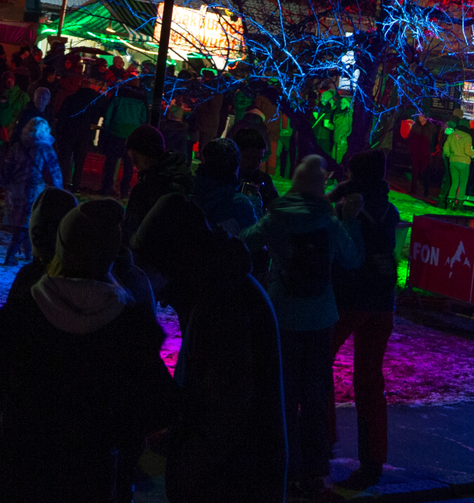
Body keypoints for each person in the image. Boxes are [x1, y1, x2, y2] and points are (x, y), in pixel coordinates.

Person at [0, 202, 176, 500]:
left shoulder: (22, 314)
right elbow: (152, 408)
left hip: (13, 465)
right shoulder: (129, 328)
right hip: (86, 474)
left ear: (62, 247)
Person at [133, 194, 288, 503]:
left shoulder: (222, 305)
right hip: (235, 472)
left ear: (176, 259)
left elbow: (226, 412)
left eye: (157, 270)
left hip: (233, 481)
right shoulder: (219, 286)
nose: (159, 294)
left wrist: (188, 470)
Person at [243, 156, 364, 498]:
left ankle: (282, 466)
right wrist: (350, 220)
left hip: (282, 314)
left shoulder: (277, 217)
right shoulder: (328, 220)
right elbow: (353, 259)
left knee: (282, 394)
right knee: (315, 397)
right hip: (320, 316)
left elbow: (244, 240)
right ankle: (314, 472)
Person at [329, 149, 402, 491]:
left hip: (351, 298)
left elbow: (345, 252)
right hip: (382, 302)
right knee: (370, 380)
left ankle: (321, 443)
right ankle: (373, 460)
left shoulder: (349, 205)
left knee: (316, 365)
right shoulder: (389, 208)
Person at [0, 118, 64, 265]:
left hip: (14, 190)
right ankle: (11, 256)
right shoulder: (45, 148)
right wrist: (58, 191)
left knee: (22, 223)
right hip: (33, 190)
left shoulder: (18, 145)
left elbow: (6, 166)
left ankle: (28, 255)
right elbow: (54, 171)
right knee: (26, 224)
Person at [121, 124, 191, 244]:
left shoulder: (149, 188)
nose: (133, 162)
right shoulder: (177, 176)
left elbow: (133, 228)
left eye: (134, 155)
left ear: (146, 153)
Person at [190, 138, 258, 236]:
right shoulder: (240, 203)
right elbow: (253, 239)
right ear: (236, 167)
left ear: (204, 161)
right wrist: (255, 206)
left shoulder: (188, 190)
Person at [97, 77, 152, 196]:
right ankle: (124, 189)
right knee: (129, 164)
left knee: (111, 162)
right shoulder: (142, 98)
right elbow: (143, 118)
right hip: (132, 134)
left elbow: (109, 113)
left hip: (115, 132)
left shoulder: (118, 94)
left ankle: (107, 187)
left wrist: (107, 128)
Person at [54, 76, 103, 191]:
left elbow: (62, 115)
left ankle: (62, 183)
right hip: (85, 132)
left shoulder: (71, 98)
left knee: (65, 159)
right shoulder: (94, 101)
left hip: (69, 131)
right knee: (79, 161)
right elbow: (97, 114)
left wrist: (60, 131)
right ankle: (76, 185)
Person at [441, 119, 474, 209]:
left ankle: (450, 203)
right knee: (463, 184)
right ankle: (460, 204)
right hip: (464, 162)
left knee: (454, 183)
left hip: (453, 161)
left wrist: (449, 155)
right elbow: (467, 151)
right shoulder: (467, 136)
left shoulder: (452, 135)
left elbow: (445, 148)